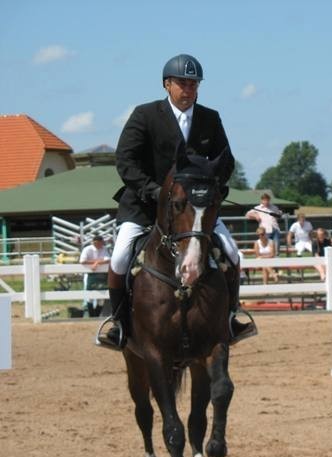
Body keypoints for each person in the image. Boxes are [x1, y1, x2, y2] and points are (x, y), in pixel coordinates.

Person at [97, 53, 255, 349]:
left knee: (233, 254)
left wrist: (208, 193)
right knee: (119, 257)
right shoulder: (145, 115)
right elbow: (126, 161)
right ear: (167, 85)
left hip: (194, 211)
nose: (189, 89)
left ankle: (232, 316)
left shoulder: (210, 118)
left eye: (194, 84)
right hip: (145, 207)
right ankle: (118, 322)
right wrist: (154, 192)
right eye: (183, 83)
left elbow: (226, 161)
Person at [79, 235, 110, 317]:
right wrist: (98, 261)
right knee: (89, 296)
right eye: (97, 243)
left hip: (101, 275)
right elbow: (82, 261)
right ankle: (92, 316)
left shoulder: (104, 249)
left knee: (102, 297)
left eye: (100, 243)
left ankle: (96, 315)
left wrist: (96, 263)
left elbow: (108, 260)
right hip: (89, 274)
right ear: (93, 242)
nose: (99, 245)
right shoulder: (87, 249)